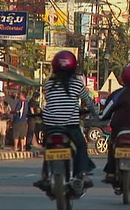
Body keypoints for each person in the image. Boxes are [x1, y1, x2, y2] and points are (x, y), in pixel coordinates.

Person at [33, 50, 97, 191]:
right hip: (70, 125)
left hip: (51, 125)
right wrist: (95, 113)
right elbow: (88, 101)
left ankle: (45, 175)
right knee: (81, 147)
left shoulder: (49, 84)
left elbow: (51, 102)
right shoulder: (77, 84)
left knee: (48, 147)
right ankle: (81, 175)